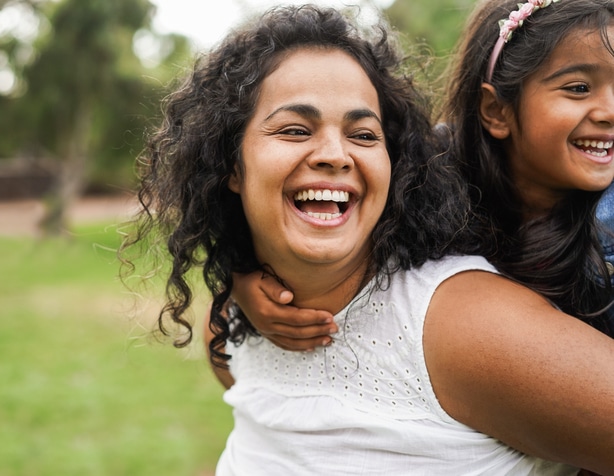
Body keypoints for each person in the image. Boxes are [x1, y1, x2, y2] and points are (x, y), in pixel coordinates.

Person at [123, 4, 614, 474]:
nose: (335, 154)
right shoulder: (238, 324)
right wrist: (238, 279)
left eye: (363, 135)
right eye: (295, 130)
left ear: (396, 165)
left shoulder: (465, 329)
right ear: (229, 163)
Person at [235, 0, 614, 351]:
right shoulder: (427, 172)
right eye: (579, 88)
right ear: (496, 111)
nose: (609, 111)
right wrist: (246, 281)